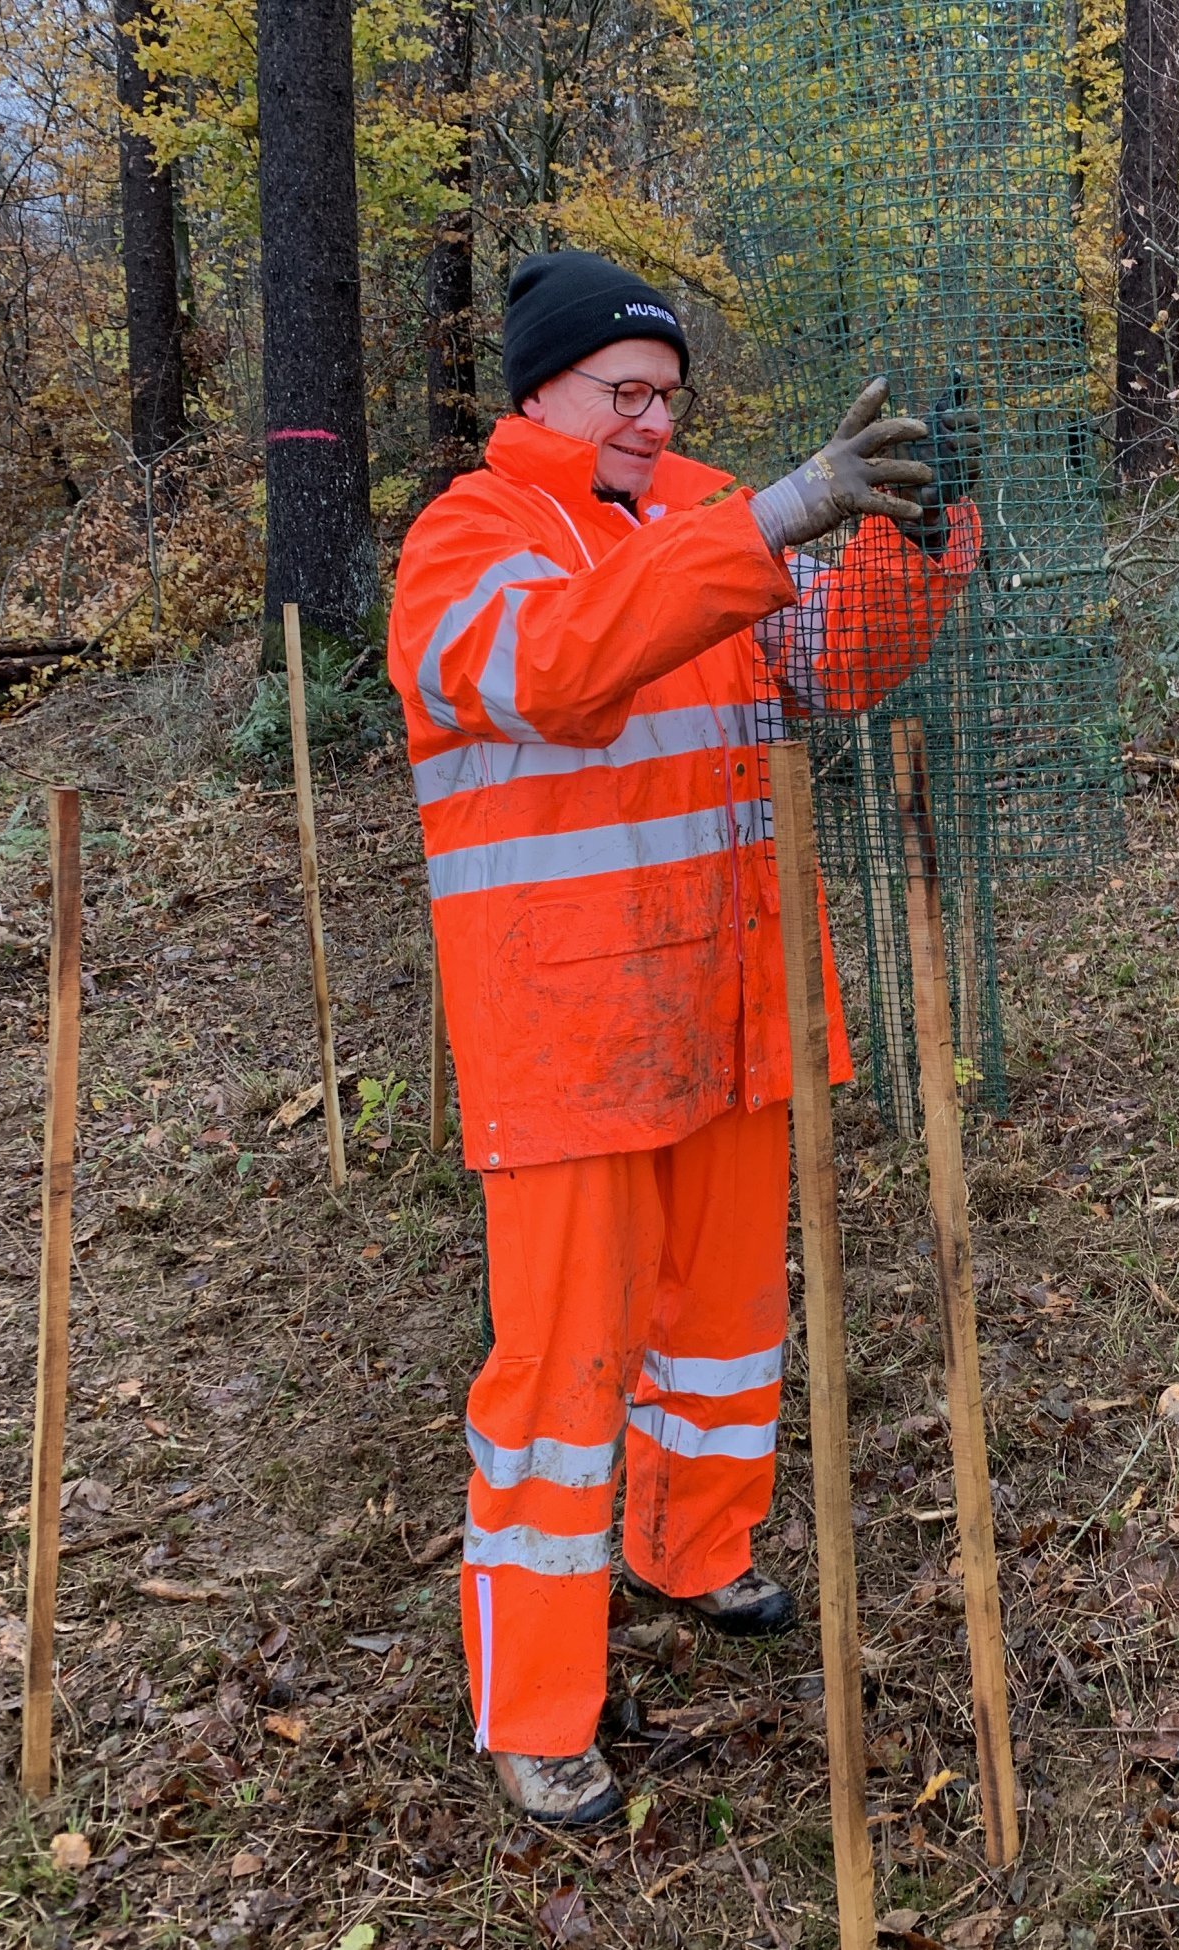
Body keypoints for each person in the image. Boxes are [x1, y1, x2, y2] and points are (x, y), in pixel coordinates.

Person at [385, 250, 982, 1824]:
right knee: (563, 1367)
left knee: (723, 1323)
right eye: (623, 393)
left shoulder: (707, 510)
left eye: (669, 396)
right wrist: (778, 515)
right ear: (541, 392)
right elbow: (557, 669)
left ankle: (691, 1547)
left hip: (731, 1000)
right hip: (569, 1022)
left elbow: (819, 669)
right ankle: (537, 1703)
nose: (654, 418)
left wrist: (917, 548)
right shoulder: (474, 537)